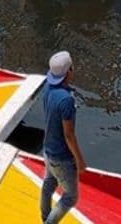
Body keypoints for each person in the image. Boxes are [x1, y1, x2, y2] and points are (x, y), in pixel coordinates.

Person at [40, 50, 86, 224]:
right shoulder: (66, 100)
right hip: (62, 157)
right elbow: (69, 135)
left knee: (49, 184)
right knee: (70, 197)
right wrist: (79, 160)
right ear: (68, 72)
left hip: (48, 149)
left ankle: (44, 217)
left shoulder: (48, 87)